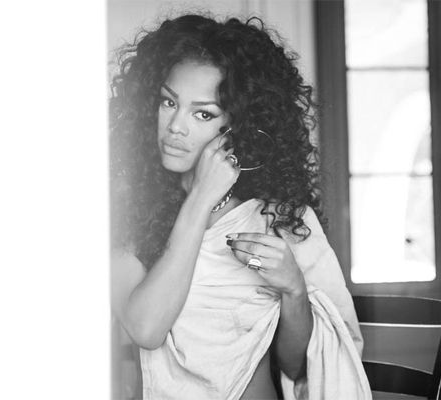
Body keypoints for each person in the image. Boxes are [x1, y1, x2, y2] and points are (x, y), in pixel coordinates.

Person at [110, 14, 370, 400]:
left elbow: (299, 369)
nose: (176, 126)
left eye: (203, 113)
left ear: (238, 127)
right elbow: (146, 329)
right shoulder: (124, 214)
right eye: (168, 102)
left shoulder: (281, 219)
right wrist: (200, 199)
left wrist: (294, 289)